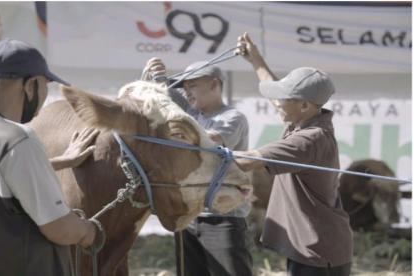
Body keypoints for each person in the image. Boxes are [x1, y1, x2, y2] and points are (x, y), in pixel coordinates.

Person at [0, 39, 100, 276]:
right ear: (31, 85)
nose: (43, 101)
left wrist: (61, 161)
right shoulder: (18, 140)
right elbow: (59, 228)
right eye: (45, 87)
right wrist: (88, 230)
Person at [233, 32, 353, 276]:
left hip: (318, 253)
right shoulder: (305, 120)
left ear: (304, 105)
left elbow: (245, 161)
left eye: (283, 97)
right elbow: (277, 93)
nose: (276, 102)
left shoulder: (308, 140)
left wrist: (197, 147)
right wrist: (255, 60)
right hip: (316, 247)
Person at [142, 58, 253, 276]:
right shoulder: (189, 115)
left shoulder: (233, 118)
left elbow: (210, 140)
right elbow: (156, 97)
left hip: (224, 217)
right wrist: (153, 77)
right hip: (189, 216)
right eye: (184, 88)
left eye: (192, 85)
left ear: (214, 84)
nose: (187, 92)